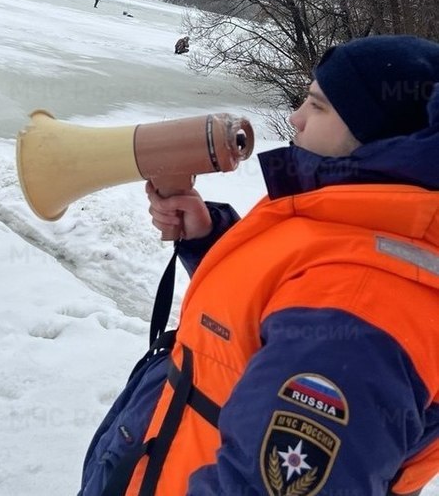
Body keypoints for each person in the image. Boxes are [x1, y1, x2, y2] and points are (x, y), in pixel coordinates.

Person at [79, 35, 439, 496]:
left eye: (318, 105)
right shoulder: (355, 218)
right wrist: (209, 239)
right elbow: (280, 304)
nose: (295, 118)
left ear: (378, 133)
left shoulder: (361, 305)